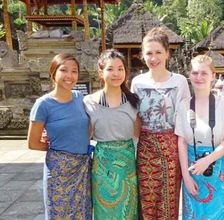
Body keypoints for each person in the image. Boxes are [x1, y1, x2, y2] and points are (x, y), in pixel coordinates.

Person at [130, 27, 190, 219]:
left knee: (168, 200)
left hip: (170, 148)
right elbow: (134, 118)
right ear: (142, 55)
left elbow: (186, 118)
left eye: (158, 53)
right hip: (145, 148)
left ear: (167, 54)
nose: (153, 58)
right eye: (149, 53)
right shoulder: (137, 82)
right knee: (146, 200)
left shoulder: (179, 81)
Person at [27, 54, 92, 219]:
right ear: (53, 73)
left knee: (82, 213)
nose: (69, 76)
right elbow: (33, 143)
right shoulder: (43, 104)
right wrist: (59, 151)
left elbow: (86, 128)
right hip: (58, 170)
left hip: (82, 167)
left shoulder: (80, 98)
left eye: (74, 71)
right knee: (59, 213)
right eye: (64, 70)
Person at [175, 55, 224, 219]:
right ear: (189, 75)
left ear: (213, 76)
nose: (199, 77)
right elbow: (181, 142)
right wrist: (186, 177)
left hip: (218, 169)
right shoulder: (184, 105)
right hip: (191, 169)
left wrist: (207, 160)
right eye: (195, 73)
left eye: (204, 73)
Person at [83, 50, 140, 219]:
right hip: (102, 164)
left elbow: (138, 135)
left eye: (120, 69)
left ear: (125, 73)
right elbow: (84, 134)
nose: (116, 73)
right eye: (110, 69)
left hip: (128, 163)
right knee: (104, 209)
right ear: (100, 72)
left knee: (127, 208)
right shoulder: (88, 102)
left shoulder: (133, 102)